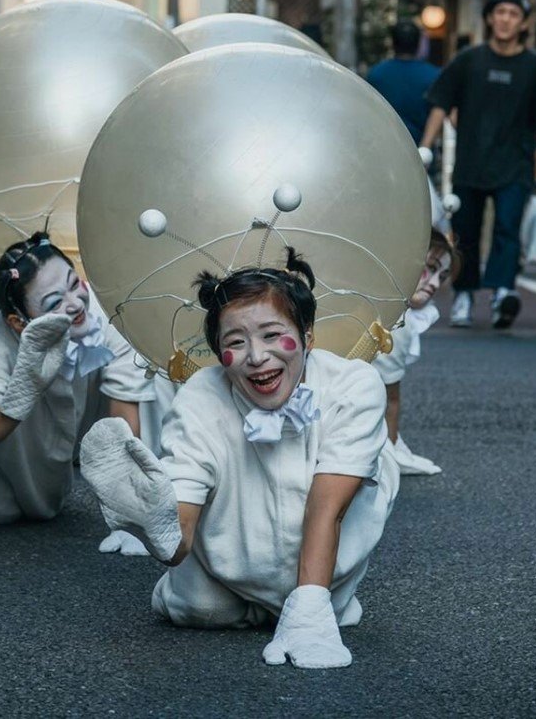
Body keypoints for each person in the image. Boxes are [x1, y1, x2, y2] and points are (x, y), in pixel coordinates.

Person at [81, 248, 399, 670]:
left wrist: (309, 608)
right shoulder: (200, 394)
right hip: (229, 559)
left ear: (308, 336)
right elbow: (184, 525)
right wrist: (155, 521)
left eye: (271, 334)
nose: (256, 356)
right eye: (235, 341)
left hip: (329, 541)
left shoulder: (355, 384)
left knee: (318, 602)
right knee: (199, 608)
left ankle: (312, 595)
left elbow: (328, 510)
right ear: (218, 354)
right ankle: (244, 600)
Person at [0, 232, 167, 526]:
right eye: (54, 302)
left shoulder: (103, 313)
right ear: (18, 322)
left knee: (153, 370)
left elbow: (125, 417)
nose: (75, 305)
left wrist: (131, 510)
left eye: (74, 284)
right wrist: (26, 385)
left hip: (75, 427)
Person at [420, 0, 536, 329]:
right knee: (466, 233)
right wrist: (424, 150)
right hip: (472, 163)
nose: (505, 19)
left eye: (513, 14)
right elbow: (441, 104)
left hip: (515, 165)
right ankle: (465, 295)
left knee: (508, 228)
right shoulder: (469, 60)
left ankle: (503, 292)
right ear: (490, 18)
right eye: (499, 12)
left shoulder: (534, 66)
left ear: (522, 23)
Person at [374, 228, 456, 476]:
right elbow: (390, 398)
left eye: (441, 277)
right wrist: (392, 451)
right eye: (430, 268)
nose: (434, 284)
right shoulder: (397, 321)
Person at [366, 20, 440, 146]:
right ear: (418, 44)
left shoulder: (376, 74)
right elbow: (439, 113)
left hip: (384, 149)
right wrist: (426, 147)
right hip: (420, 153)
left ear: (393, 43)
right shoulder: (434, 75)